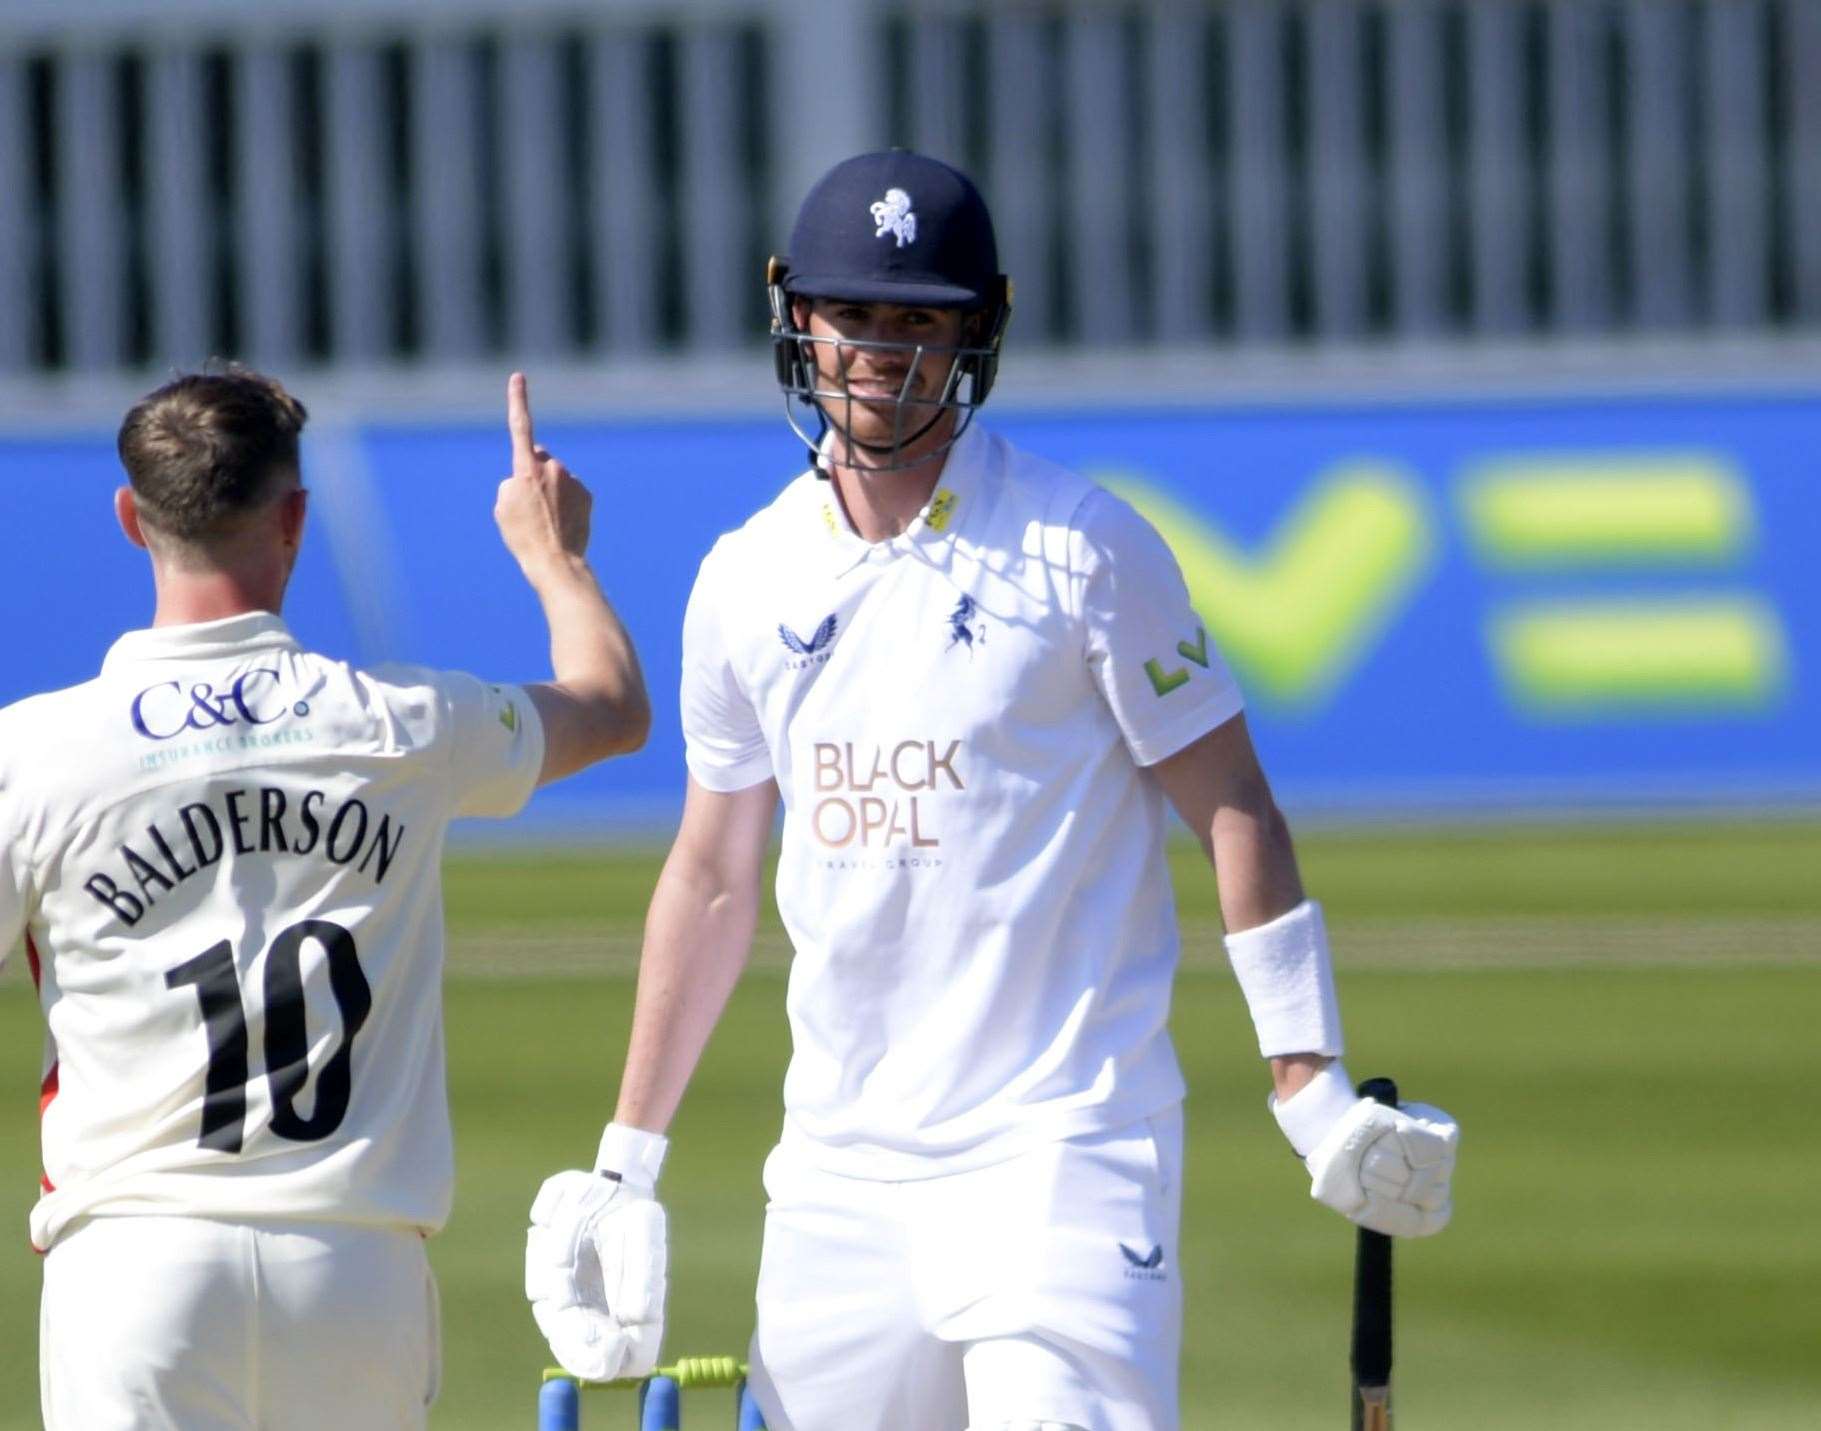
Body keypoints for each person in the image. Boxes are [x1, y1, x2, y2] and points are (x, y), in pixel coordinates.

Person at [526, 150, 1458, 1429]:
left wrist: (1311, 1087)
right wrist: (626, 1161)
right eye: (856, 315)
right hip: (837, 1175)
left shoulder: (1087, 546)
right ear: (797, 315)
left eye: (922, 320)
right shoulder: (742, 579)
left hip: (1063, 1153)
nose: (884, 353)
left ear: (980, 329)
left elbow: (1235, 803)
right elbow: (712, 872)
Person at [0, 366, 647, 1430]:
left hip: (136, 1267)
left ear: (131, 517)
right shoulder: (404, 723)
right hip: (357, 1268)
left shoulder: (38, 753)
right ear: (296, 518)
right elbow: (611, 707)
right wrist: (554, 556)